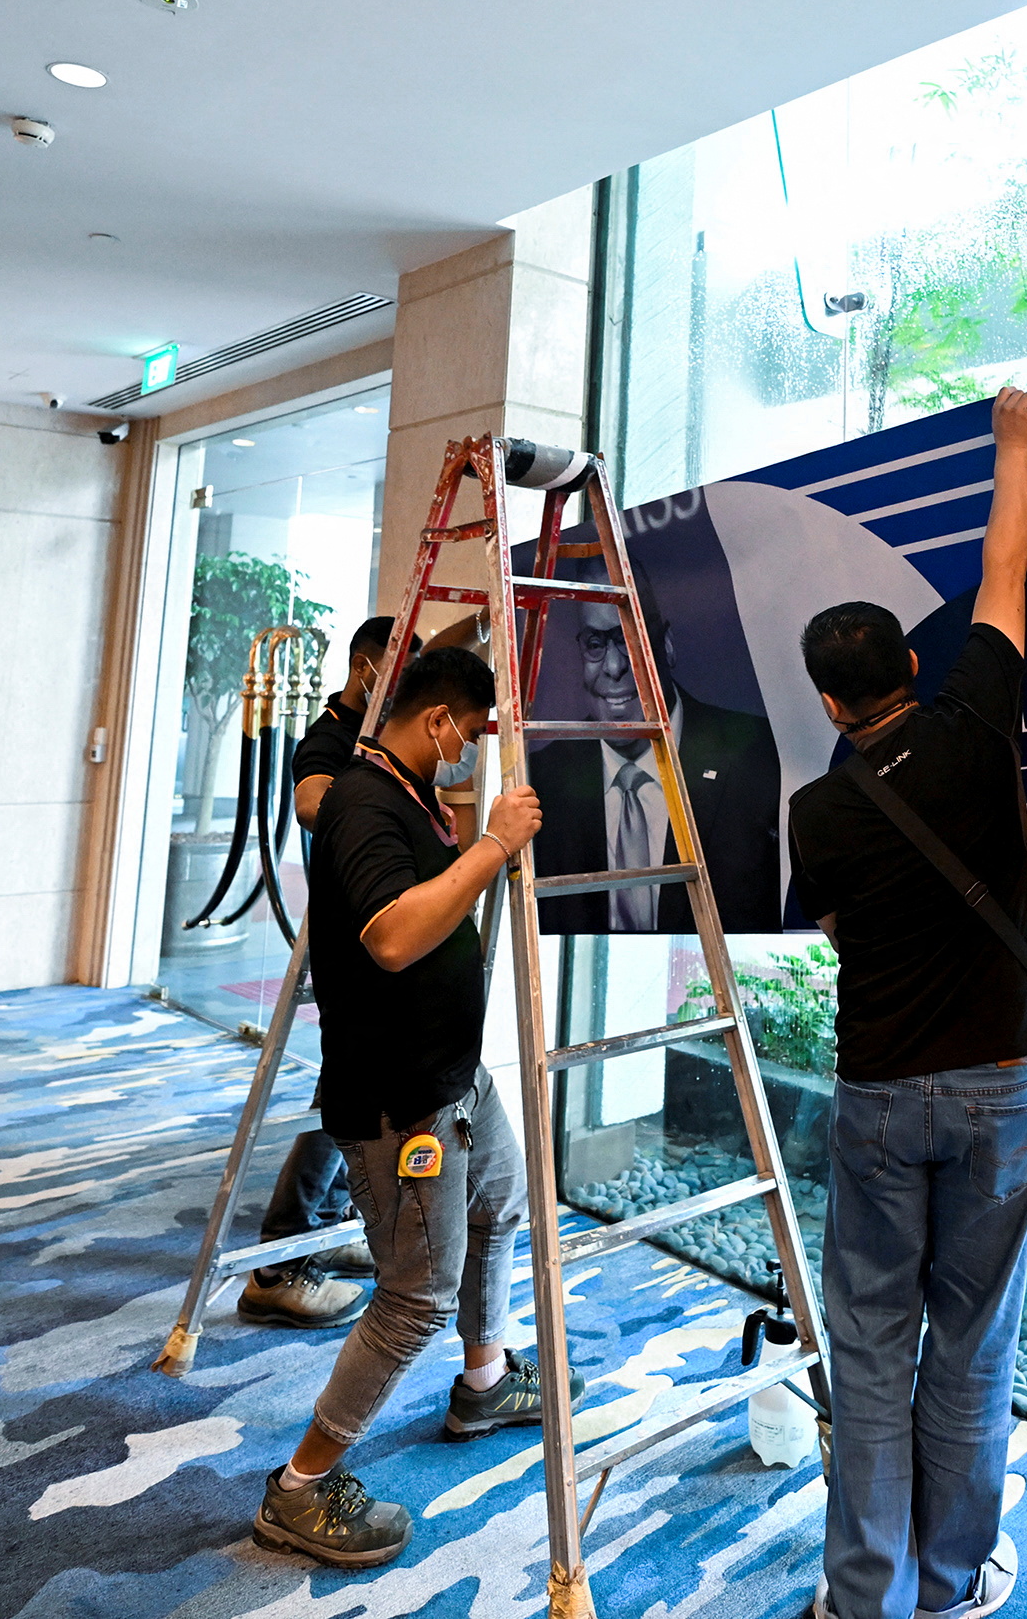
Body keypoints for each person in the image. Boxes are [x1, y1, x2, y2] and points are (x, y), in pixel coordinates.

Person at [787, 385, 1027, 1619]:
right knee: (971, 1342)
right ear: (909, 666)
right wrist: (1011, 445)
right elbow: (1007, 566)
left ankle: (861, 1594)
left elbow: (837, 930)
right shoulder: (975, 721)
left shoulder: (818, 809)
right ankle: (951, 1582)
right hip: (999, 1082)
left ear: (831, 703)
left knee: (875, 1344)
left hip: (880, 1087)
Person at [251, 644, 567, 1568]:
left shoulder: (407, 789)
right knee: (413, 1297)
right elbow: (391, 936)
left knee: (501, 1203)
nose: (470, 749)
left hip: (453, 1078)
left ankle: (483, 1381)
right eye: (467, 732)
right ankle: (298, 1489)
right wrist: (495, 844)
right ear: (434, 721)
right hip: (399, 1105)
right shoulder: (361, 800)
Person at [243, 614, 412, 1331]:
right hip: (351, 945)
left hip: (383, 941)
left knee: (362, 1092)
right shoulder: (329, 741)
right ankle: (279, 1264)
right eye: (399, 670)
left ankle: (330, 1228)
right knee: (339, 1098)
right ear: (366, 669)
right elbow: (314, 803)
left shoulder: (374, 736)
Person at [530, 575, 782, 934]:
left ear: (666, 645)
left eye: (628, 640)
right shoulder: (544, 778)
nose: (614, 667)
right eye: (595, 644)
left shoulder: (755, 755)